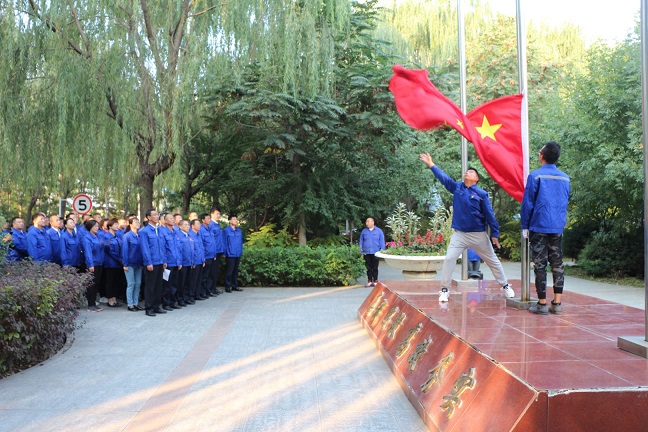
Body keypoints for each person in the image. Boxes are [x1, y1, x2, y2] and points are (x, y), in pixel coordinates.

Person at [419, 153, 514, 302]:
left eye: (470, 172)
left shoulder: (481, 194)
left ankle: (506, 286)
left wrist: (495, 233)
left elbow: (489, 215)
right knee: (449, 259)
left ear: (476, 179)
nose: (467, 173)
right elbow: (444, 178)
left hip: (478, 235)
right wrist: (431, 164)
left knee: (493, 261)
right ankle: (444, 290)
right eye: (466, 171)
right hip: (460, 234)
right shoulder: (457, 188)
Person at [521, 141, 571, 315]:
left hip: (539, 225)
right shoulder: (565, 178)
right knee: (557, 263)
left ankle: (542, 303)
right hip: (557, 226)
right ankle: (557, 303)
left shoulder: (535, 176)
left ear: (542, 156)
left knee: (540, 264)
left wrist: (525, 226)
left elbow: (528, 204)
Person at [140, 209, 167, 317]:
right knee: (150, 286)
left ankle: (156, 306)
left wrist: (164, 260)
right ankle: (149, 308)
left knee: (158, 285)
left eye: (157, 214)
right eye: (154, 215)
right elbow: (145, 248)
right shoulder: (144, 231)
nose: (157, 216)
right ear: (148, 217)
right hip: (151, 262)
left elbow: (163, 246)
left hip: (160, 261)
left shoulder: (159, 230)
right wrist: (148, 262)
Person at [160, 213, 182, 309]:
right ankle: (166, 303)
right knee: (167, 285)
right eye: (170, 218)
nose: (173, 220)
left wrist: (179, 262)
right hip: (168, 263)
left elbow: (179, 248)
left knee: (174, 284)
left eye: (173, 218)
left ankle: (173, 302)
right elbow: (162, 248)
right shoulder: (163, 232)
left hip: (176, 262)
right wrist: (164, 261)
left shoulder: (176, 232)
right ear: (165, 221)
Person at [82, 220, 105, 312]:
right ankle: (91, 305)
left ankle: (94, 303)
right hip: (93, 264)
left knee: (96, 284)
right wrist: (90, 264)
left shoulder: (97, 236)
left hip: (99, 263)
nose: (97, 228)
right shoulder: (87, 237)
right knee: (91, 285)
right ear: (90, 227)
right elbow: (88, 252)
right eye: (95, 226)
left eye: (97, 226)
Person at [122, 217, 144, 312]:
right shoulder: (127, 236)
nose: (138, 223)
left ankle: (136, 303)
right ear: (130, 224)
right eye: (135, 222)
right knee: (131, 284)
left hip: (138, 263)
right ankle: (130, 304)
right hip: (129, 263)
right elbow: (124, 251)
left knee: (138, 284)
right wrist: (125, 264)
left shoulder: (140, 235)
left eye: (138, 222)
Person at [359, 217, 385, 287]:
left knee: (375, 267)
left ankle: (375, 280)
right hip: (366, 252)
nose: (367, 223)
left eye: (368, 221)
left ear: (373, 222)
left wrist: (382, 251)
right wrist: (361, 251)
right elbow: (361, 242)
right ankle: (369, 281)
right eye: (366, 222)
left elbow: (382, 242)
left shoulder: (379, 231)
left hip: (376, 252)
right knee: (368, 267)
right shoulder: (364, 231)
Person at [103, 219, 124, 307]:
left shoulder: (117, 236)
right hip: (110, 262)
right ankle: (110, 300)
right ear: (110, 226)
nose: (117, 226)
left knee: (116, 281)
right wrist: (119, 259)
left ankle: (114, 299)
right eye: (115, 224)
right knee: (110, 281)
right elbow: (109, 250)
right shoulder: (106, 236)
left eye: (117, 224)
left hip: (118, 262)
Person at [199, 213, 218, 298]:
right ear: (203, 220)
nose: (209, 220)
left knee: (211, 274)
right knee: (204, 275)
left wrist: (214, 254)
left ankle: (209, 290)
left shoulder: (210, 229)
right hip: (206, 256)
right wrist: (203, 257)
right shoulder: (201, 230)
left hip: (212, 256)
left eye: (209, 218)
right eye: (207, 218)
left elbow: (213, 243)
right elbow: (201, 245)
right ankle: (202, 292)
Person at [175, 219, 193, 306]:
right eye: (185, 225)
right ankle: (180, 299)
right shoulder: (178, 236)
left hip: (189, 262)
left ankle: (186, 298)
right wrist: (179, 262)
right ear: (180, 226)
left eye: (188, 225)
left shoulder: (189, 236)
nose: (187, 226)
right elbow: (178, 250)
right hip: (183, 263)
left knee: (187, 282)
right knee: (181, 283)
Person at [224, 214, 243, 293]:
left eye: (236, 219)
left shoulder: (239, 230)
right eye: (234, 219)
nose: (236, 220)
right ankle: (228, 286)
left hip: (237, 253)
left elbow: (241, 242)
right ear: (230, 221)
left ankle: (235, 285)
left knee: (235, 271)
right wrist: (225, 253)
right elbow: (225, 242)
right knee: (229, 271)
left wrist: (240, 251)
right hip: (230, 254)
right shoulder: (226, 230)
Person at [189, 219, 206, 301]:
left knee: (199, 279)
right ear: (192, 225)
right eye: (198, 224)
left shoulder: (199, 235)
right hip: (195, 261)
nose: (199, 225)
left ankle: (197, 294)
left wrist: (203, 259)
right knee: (193, 280)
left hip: (200, 261)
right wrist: (193, 261)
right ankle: (191, 296)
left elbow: (201, 248)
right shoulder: (190, 235)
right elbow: (191, 250)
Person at [209, 208, 225, 294]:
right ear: (211, 214)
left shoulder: (218, 224)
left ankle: (214, 288)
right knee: (212, 272)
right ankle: (210, 289)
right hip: (213, 252)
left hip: (219, 251)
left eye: (219, 214)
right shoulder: (210, 225)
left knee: (215, 272)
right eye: (217, 214)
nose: (218, 215)